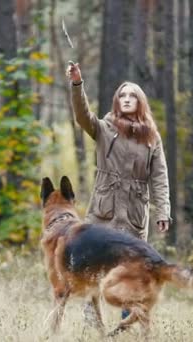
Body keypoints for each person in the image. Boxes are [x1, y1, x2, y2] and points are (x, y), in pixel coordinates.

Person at [66, 61, 172, 322]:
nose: (126, 99)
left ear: (140, 102)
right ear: (116, 101)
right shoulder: (104, 128)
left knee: (132, 270)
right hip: (104, 211)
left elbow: (159, 177)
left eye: (131, 95)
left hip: (135, 215)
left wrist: (163, 211)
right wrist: (78, 84)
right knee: (94, 263)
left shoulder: (152, 138)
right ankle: (92, 315)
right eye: (121, 95)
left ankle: (128, 323)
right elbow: (82, 117)